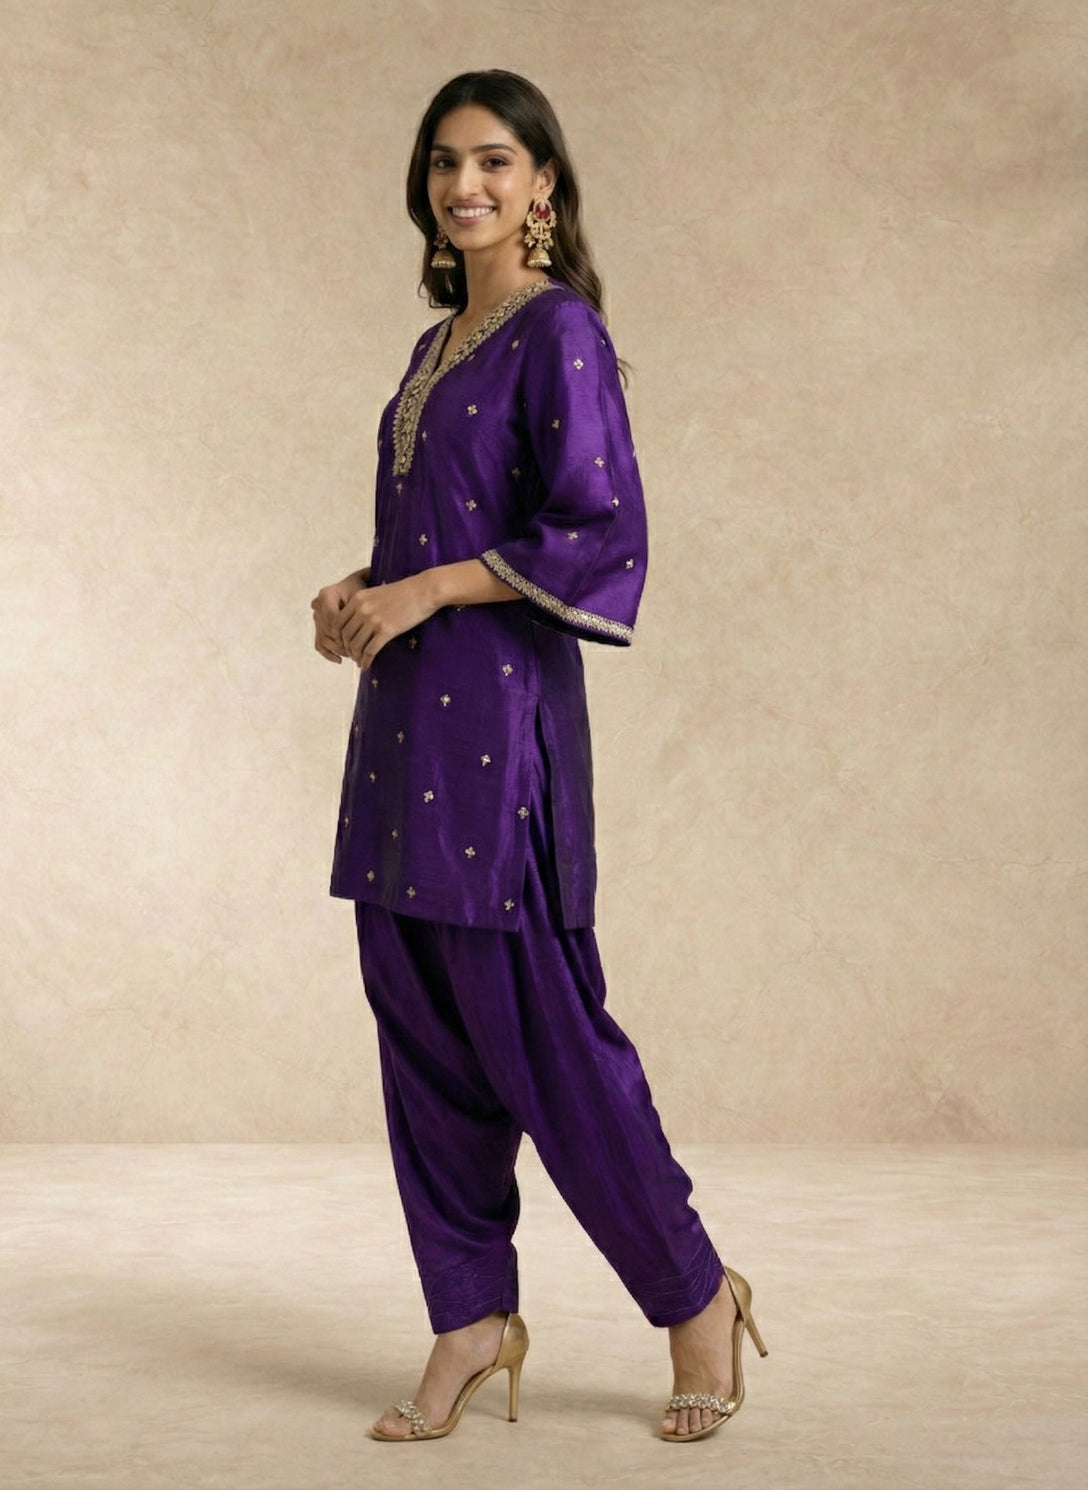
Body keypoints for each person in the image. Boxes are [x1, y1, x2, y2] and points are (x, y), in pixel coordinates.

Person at [311, 69, 767, 1444]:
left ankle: (694, 1292)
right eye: (445, 162)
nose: (466, 185)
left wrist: (425, 590)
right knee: (420, 1030)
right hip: (404, 728)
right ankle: (470, 1315)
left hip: (499, 736)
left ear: (543, 185)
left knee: (544, 1035)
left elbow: (594, 527)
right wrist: (365, 592)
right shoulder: (436, 344)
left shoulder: (558, 330)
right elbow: (436, 535)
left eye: (495, 162)